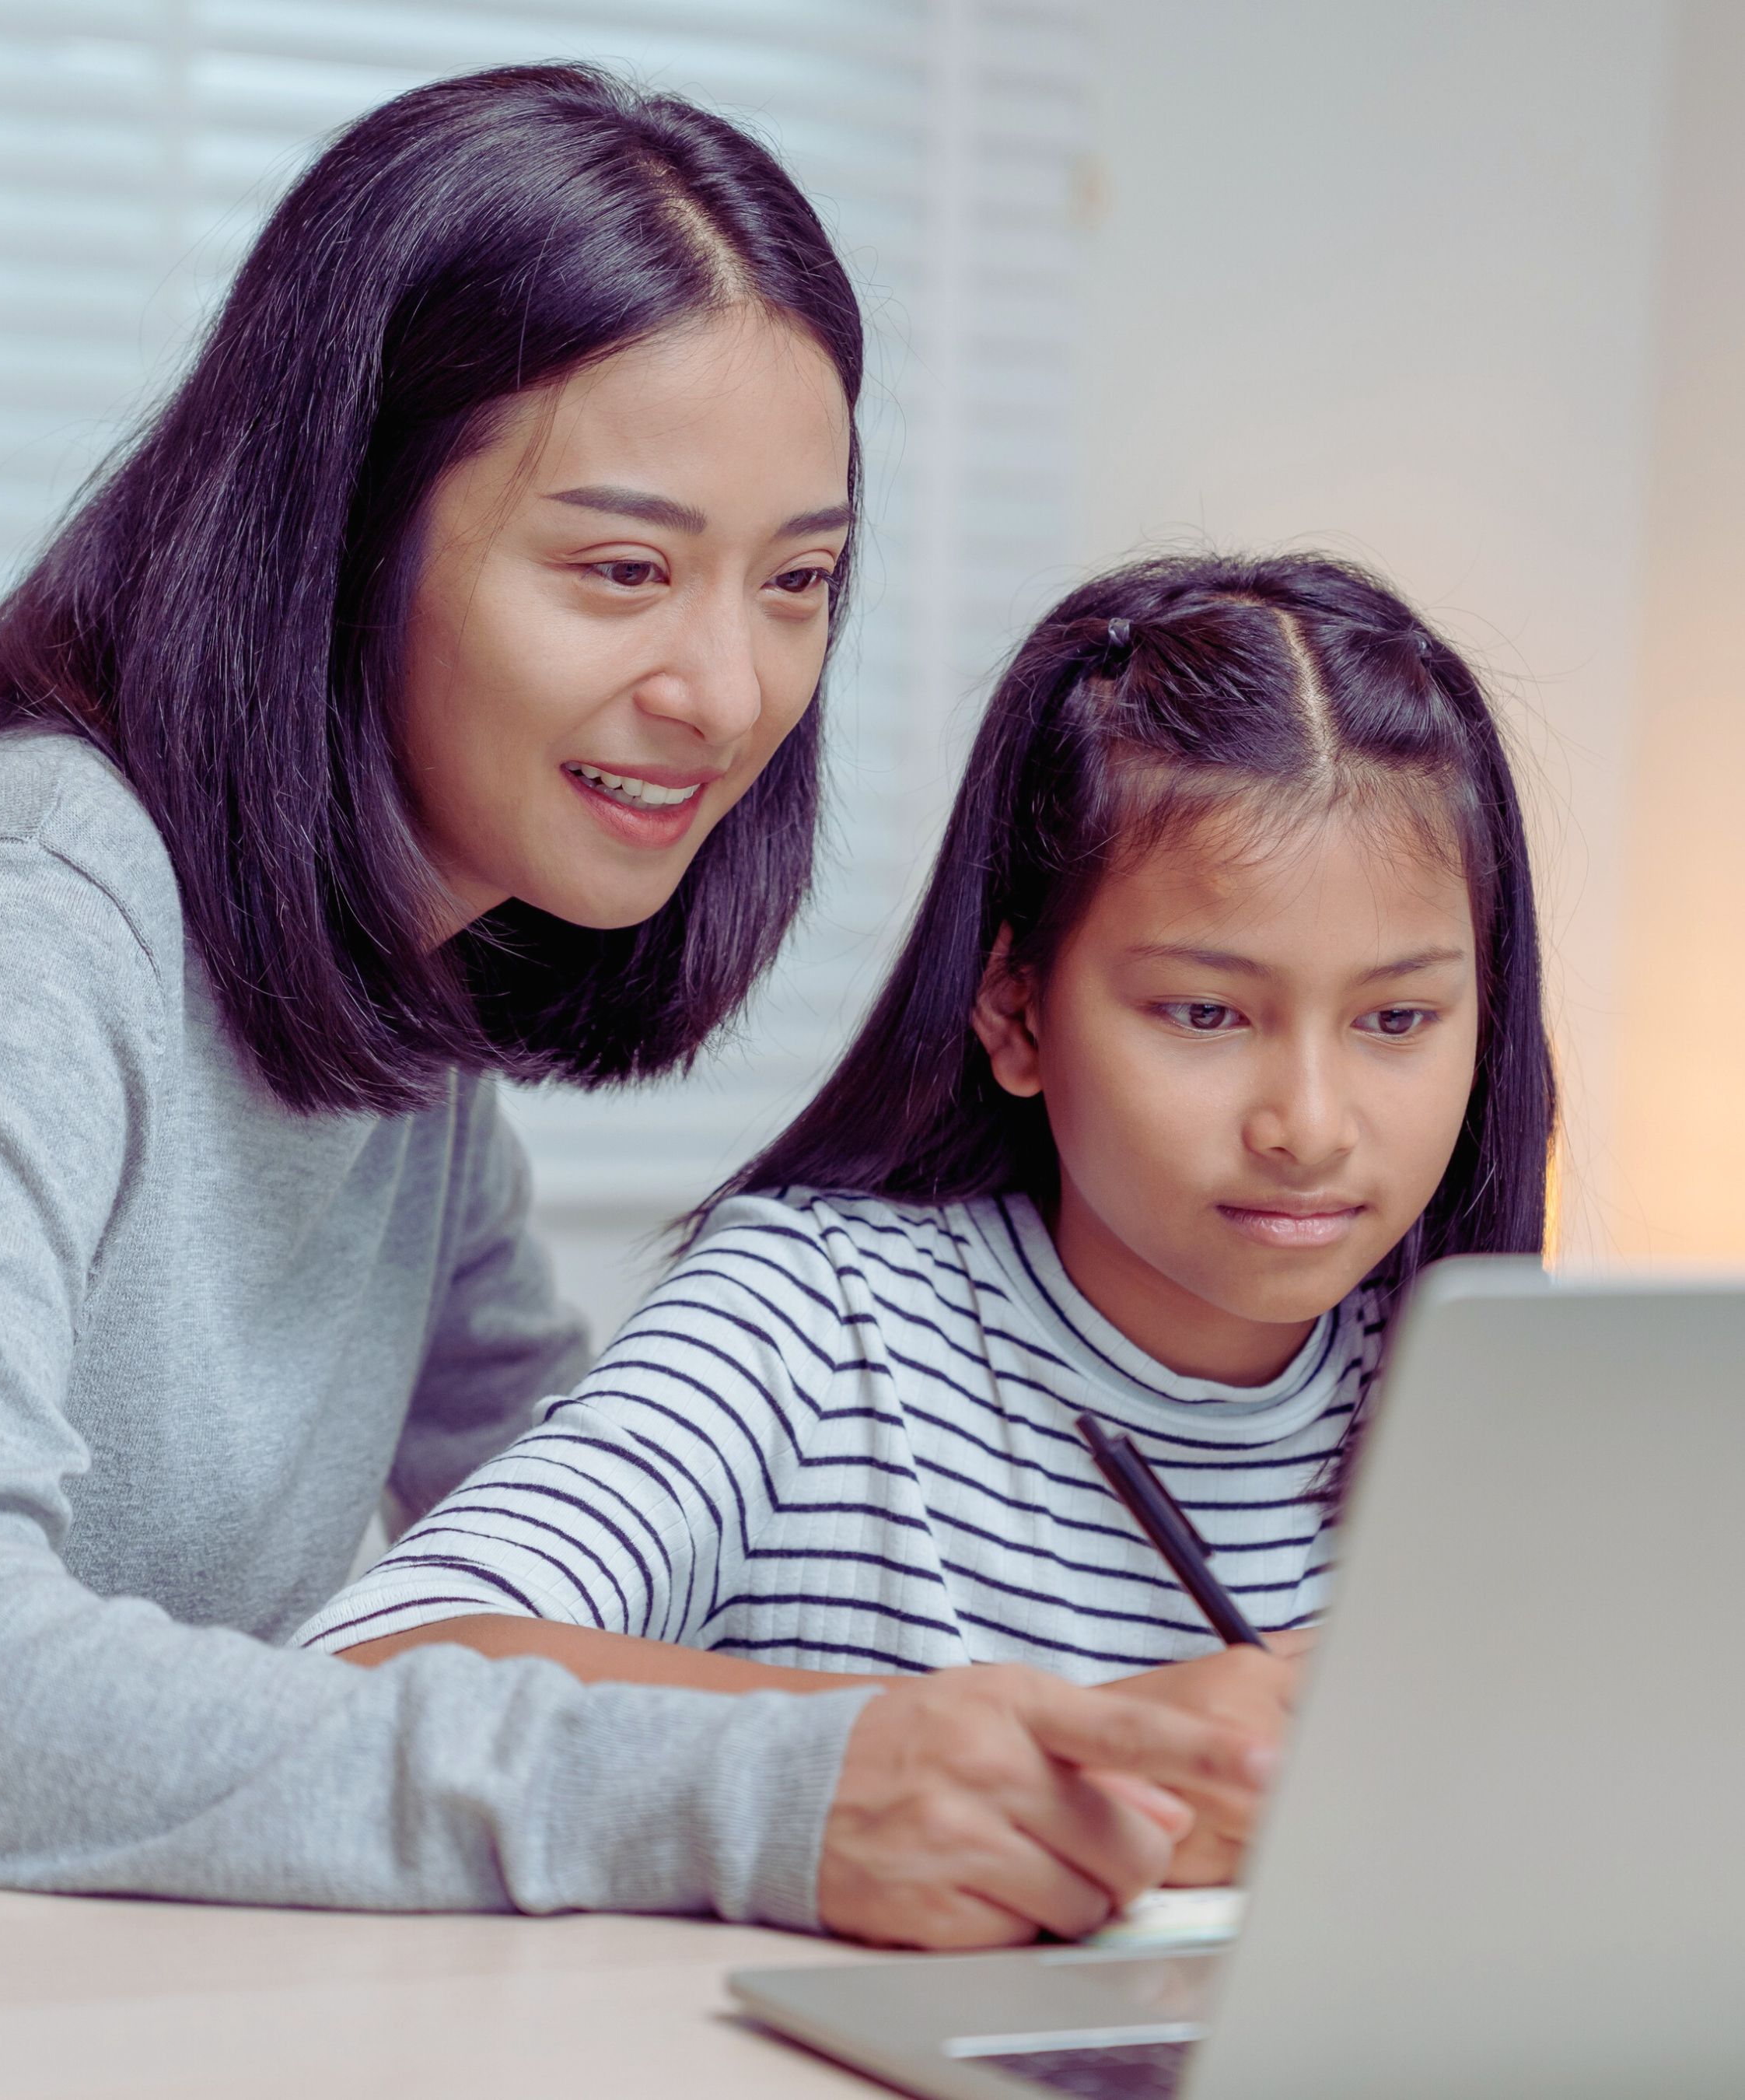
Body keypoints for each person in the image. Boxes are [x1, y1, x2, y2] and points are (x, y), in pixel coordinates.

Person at [0, 66, 1265, 1947]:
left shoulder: (386, 991)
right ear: (347, 534)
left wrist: (1083, 1749)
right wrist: (759, 1797)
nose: (730, 691)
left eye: (800, 580)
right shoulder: (20, 915)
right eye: (624, 569)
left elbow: (584, 1557)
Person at [299, 549, 1558, 1906]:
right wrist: (1040, 1771)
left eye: (1396, 1021)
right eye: (1205, 1013)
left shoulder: (1501, 1400)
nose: (1309, 1123)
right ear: (1016, 1010)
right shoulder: (815, 1319)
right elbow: (361, 1683)